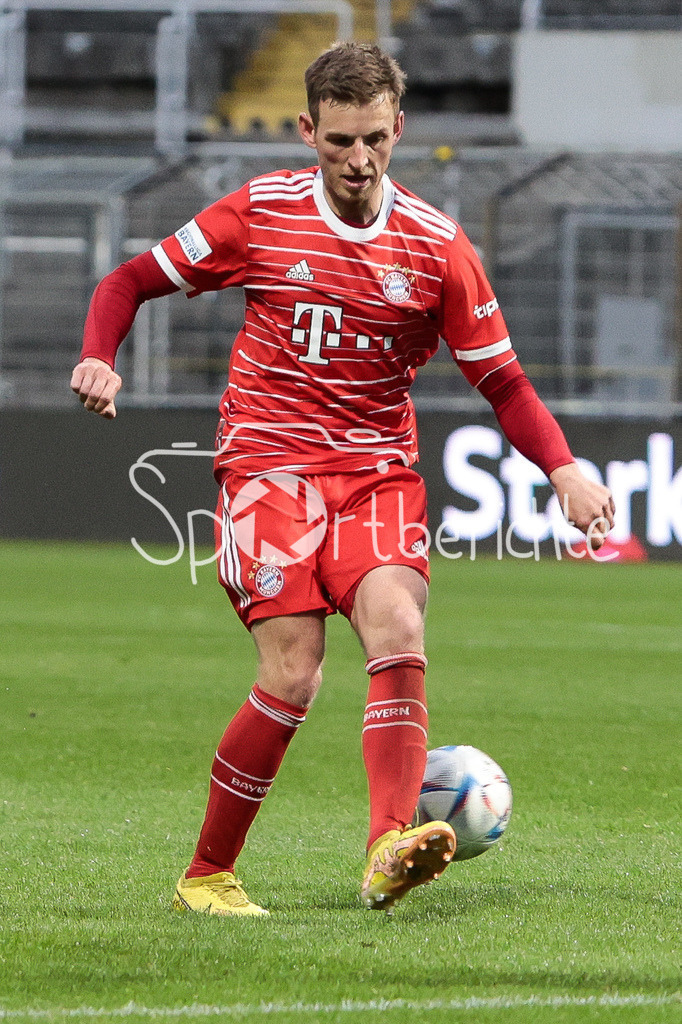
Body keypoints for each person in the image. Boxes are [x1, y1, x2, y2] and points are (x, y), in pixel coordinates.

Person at [71, 42, 615, 917]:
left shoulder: (437, 247)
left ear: (399, 126)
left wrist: (564, 471)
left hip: (374, 473)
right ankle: (207, 875)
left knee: (399, 623)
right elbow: (127, 281)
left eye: (375, 139)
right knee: (295, 671)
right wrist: (99, 356)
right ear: (306, 130)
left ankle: (387, 850)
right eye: (339, 141)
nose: (359, 160)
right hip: (268, 467)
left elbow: (505, 383)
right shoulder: (258, 214)